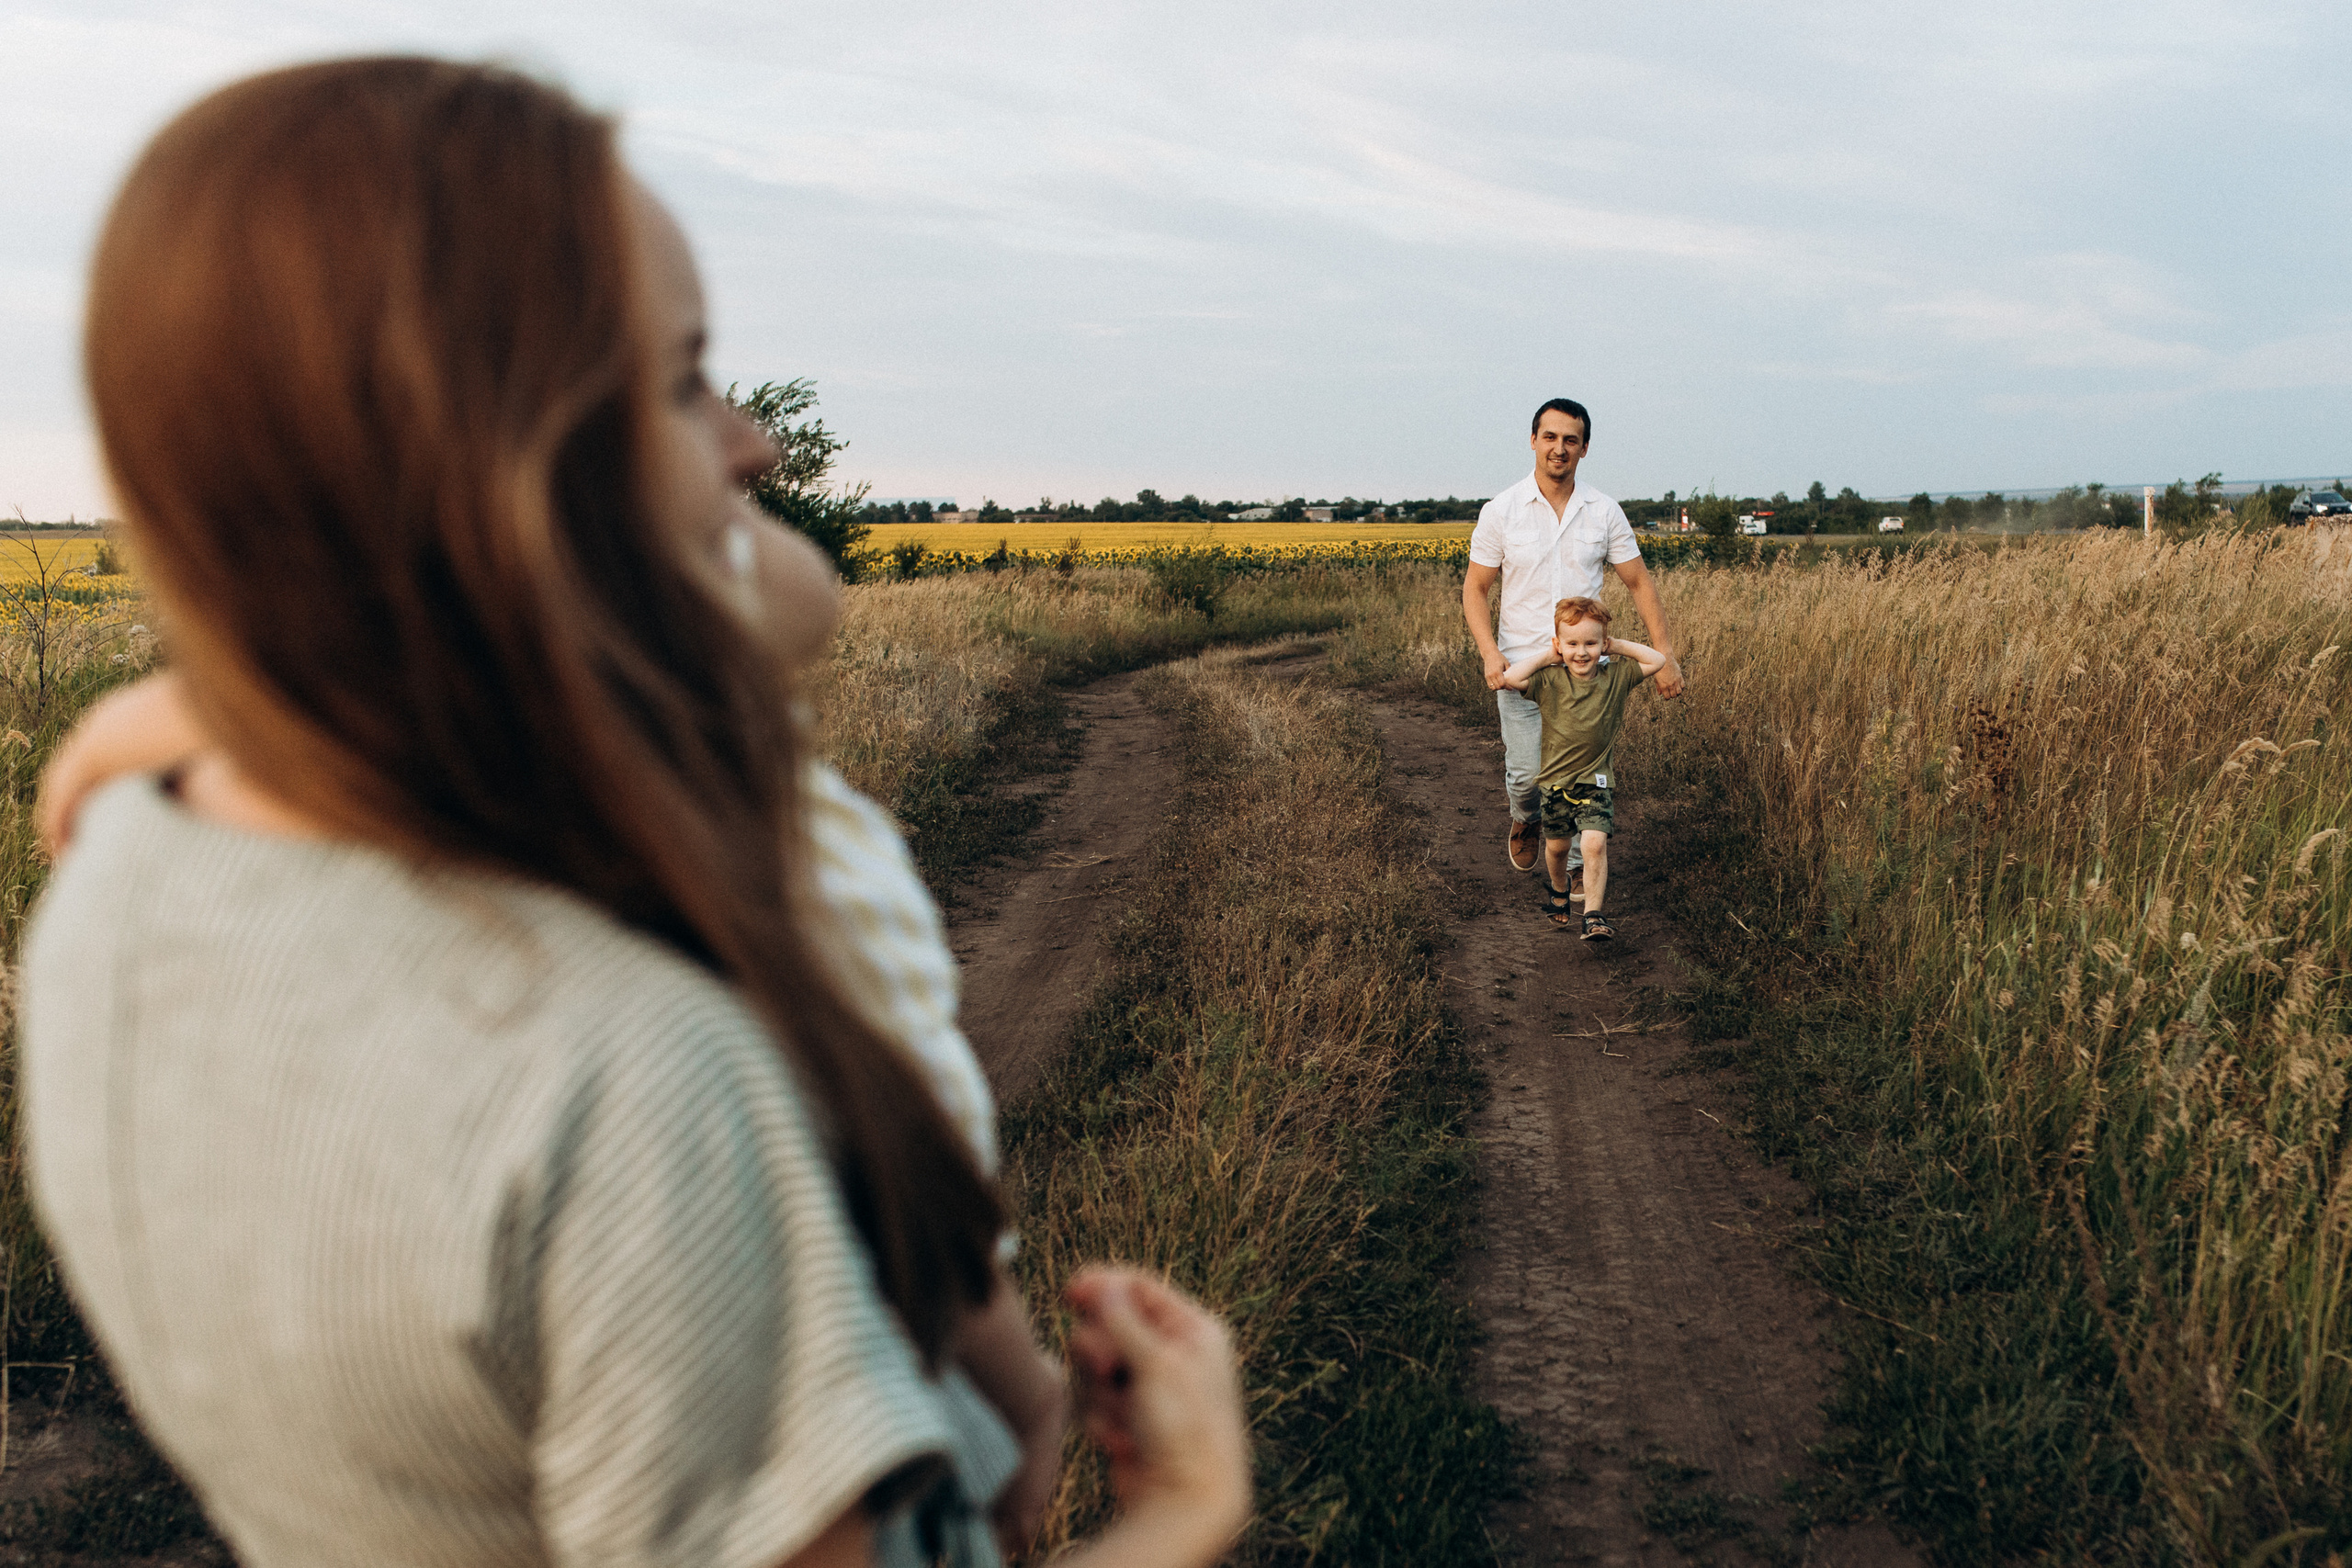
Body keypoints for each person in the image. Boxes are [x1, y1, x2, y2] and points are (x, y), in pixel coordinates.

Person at [21, 56, 1250, 1568]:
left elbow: (780, 597)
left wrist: (243, 688)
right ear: (507, 487)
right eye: (681, 381)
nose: (759, 448)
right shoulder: (639, 1083)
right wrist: (1187, 1512)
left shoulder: (125, 870)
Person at [1463, 399, 1684, 899]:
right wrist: (1488, 654)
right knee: (1525, 775)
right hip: (1524, 668)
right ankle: (1525, 818)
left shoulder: (1603, 511)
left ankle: (1585, 863)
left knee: (1586, 772)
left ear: (1584, 448)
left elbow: (1639, 583)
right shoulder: (1501, 511)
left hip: (1588, 670)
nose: (1559, 448)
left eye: (1570, 440)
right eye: (1550, 437)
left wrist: (1665, 656)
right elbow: (1476, 588)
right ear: (1534, 440)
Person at [1498, 597, 1668, 941]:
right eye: (1572, 644)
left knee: (1593, 844)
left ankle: (1592, 914)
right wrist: (1550, 655)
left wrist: (1614, 646)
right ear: (1560, 645)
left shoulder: (1615, 676)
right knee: (1558, 848)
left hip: (1596, 781)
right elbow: (1509, 678)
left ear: (1602, 644)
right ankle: (1559, 891)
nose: (1582, 652)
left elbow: (1658, 659)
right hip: (1555, 785)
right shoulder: (1550, 681)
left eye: (1591, 643)